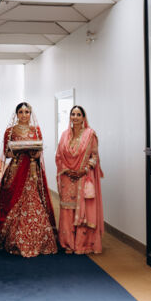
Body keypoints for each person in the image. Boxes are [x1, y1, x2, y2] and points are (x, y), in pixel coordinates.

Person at [0, 101, 57, 257]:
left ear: (30, 114)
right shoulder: (10, 131)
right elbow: (6, 153)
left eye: (27, 112)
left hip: (32, 170)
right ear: (16, 114)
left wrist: (35, 153)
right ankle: (13, 238)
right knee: (11, 198)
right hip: (16, 169)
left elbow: (40, 151)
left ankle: (37, 240)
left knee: (34, 199)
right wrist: (16, 151)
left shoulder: (36, 130)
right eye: (21, 112)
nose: (24, 115)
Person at [56, 105, 104, 254]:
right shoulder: (64, 135)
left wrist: (84, 169)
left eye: (78, 114)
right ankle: (68, 243)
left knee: (83, 209)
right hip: (67, 177)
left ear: (83, 117)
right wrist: (67, 170)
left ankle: (82, 243)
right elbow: (59, 156)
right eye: (73, 114)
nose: (75, 117)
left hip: (83, 176)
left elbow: (94, 156)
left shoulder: (90, 134)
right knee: (67, 209)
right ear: (70, 117)